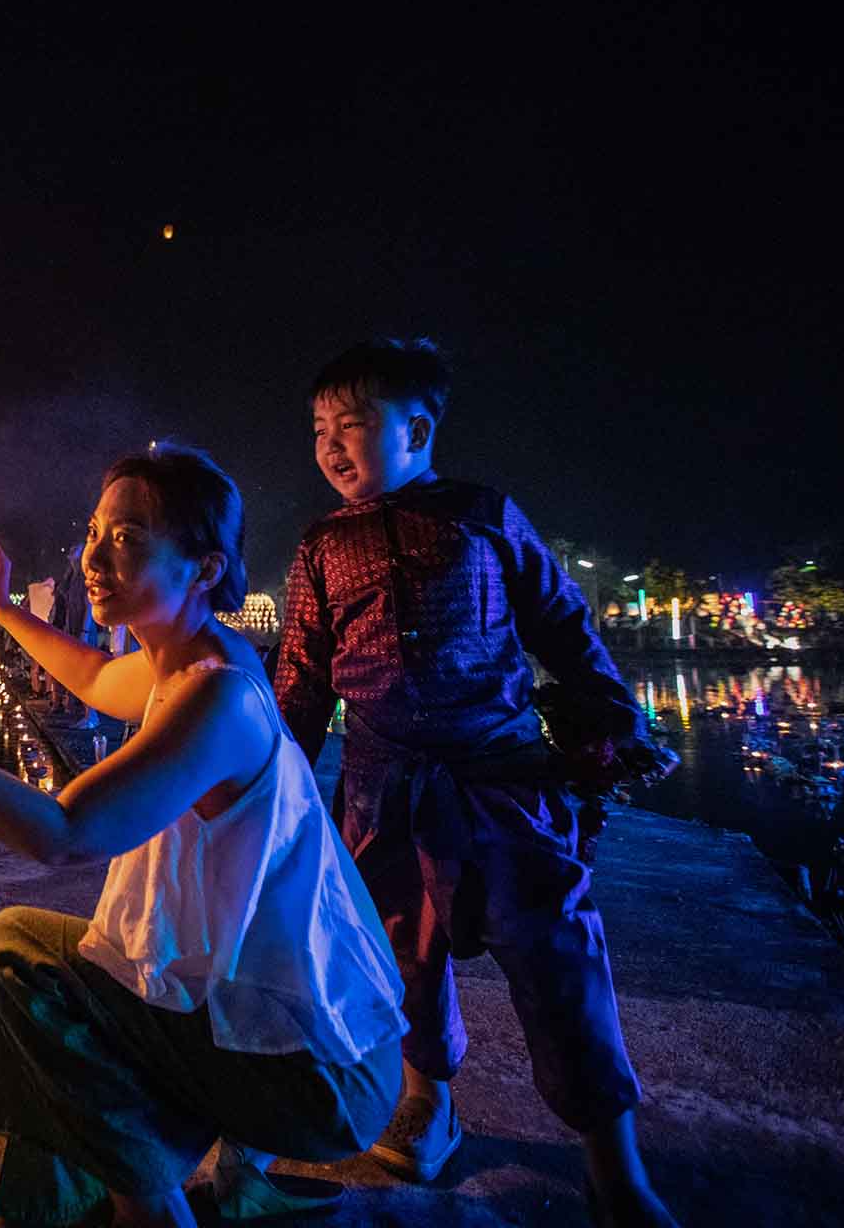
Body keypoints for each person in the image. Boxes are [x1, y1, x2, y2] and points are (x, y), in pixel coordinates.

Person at [0, 443, 405, 1228]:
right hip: (306, 1039)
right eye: (94, 532)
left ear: (205, 567)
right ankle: (192, 1179)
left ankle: (147, 1209)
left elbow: (63, 833)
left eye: (127, 537)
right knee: (99, 964)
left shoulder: (215, 698)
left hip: (317, 1074)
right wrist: (1, 609)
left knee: (19, 954)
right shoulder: (193, 660)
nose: (92, 557)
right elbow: (90, 675)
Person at [273, 339, 677, 1227]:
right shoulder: (319, 548)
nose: (331, 445)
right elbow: (300, 679)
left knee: (558, 960)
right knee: (400, 959)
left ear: (418, 430)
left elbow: (561, 622)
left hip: (506, 784)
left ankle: (615, 1165)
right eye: (319, 429)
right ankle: (429, 1102)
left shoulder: (485, 518)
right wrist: (270, 778)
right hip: (382, 795)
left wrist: (616, 719)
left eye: (352, 424)